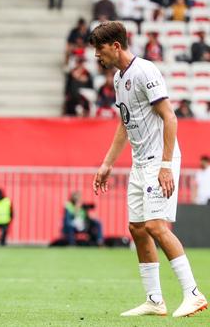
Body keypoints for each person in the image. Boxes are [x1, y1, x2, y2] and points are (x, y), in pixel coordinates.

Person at [90, 21, 207, 317]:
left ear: (116, 46)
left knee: (155, 226)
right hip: (140, 161)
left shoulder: (145, 71)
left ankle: (193, 293)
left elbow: (170, 117)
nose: (96, 57)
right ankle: (155, 300)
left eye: (100, 50)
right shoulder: (119, 79)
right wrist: (107, 163)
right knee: (137, 228)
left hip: (160, 159)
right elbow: (124, 123)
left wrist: (166, 165)